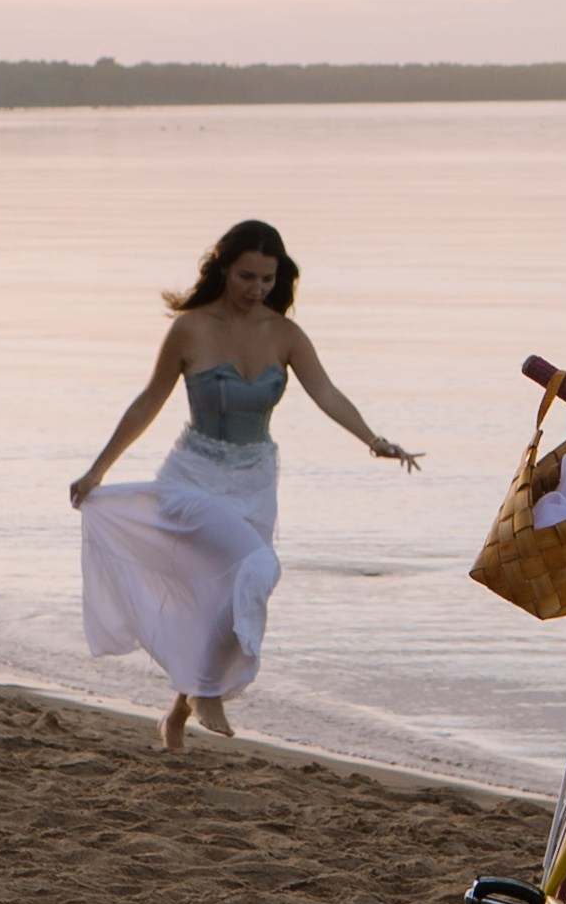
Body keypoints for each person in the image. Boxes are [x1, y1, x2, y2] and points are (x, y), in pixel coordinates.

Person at [71, 218, 421, 750]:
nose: (255, 288)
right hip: (191, 480)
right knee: (259, 566)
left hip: (255, 483)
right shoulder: (190, 328)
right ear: (222, 270)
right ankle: (209, 689)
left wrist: (373, 438)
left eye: (265, 279)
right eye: (245, 276)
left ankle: (178, 711)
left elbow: (327, 392)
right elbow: (148, 401)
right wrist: (99, 469)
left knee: (225, 597)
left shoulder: (284, 333)